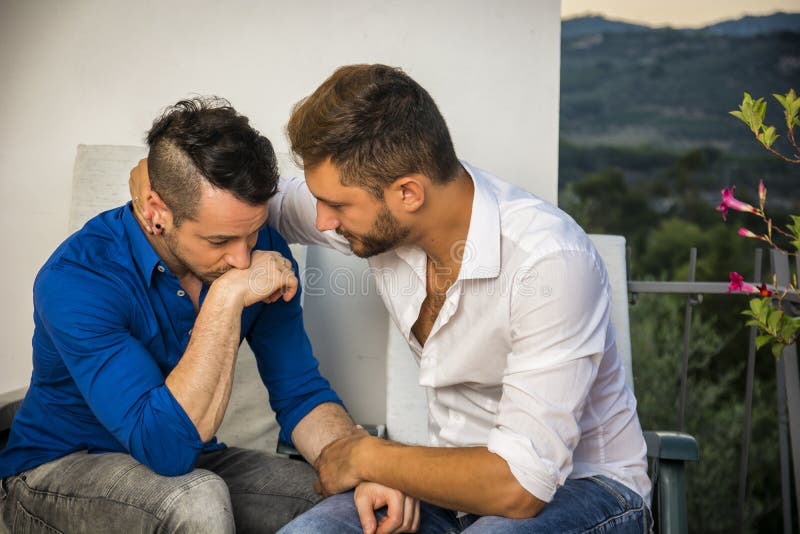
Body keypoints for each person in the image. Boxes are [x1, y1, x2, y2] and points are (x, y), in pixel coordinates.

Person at [133, 65, 653, 534]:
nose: (320, 222)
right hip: (442, 488)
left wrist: (368, 457)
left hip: (584, 491)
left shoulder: (550, 262)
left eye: (336, 205)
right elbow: (228, 201)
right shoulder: (377, 219)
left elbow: (518, 487)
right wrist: (149, 179)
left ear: (408, 193)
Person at [0, 97, 375, 534]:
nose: (242, 258)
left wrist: (360, 467)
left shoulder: (263, 249)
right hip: (57, 472)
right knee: (194, 498)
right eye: (219, 241)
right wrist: (225, 300)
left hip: (198, 458)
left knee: (348, 504)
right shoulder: (78, 278)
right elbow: (165, 449)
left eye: (251, 233)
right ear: (157, 213)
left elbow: (300, 393)